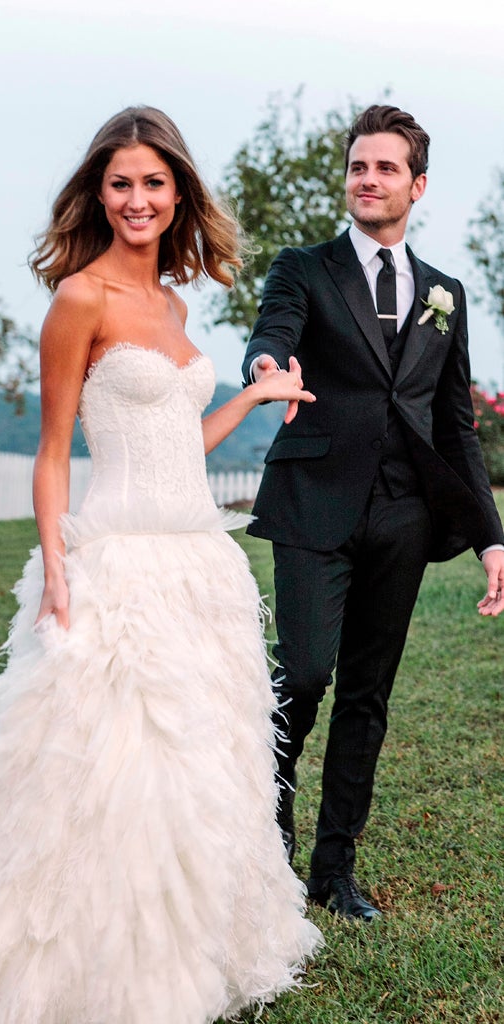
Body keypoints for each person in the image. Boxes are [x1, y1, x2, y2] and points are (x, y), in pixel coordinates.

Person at [0, 106, 322, 1024]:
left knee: (200, 768)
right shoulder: (80, 299)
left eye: (154, 183)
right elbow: (55, 451)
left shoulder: (173, 306)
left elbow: (178, 446)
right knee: (104, 775)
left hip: (199, 565)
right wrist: (57, 566)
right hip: (116, 567)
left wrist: (252, 393)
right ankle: (83, 971)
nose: (138, 199)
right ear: (99, 192)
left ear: (179, 194)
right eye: (121, 183)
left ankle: (188, 944)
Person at [242, 103, 504, 923]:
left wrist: (490, 540)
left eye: (385, 167)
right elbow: (270, 329)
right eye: (358, 165)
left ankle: (333, 871)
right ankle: (262, 830)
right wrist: (264, 363)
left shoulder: (444, 296)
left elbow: (452, 425)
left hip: (403, 518)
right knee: (307, 672)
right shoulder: (304, 267)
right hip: (313, 503)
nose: (367, 178)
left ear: (416, 185)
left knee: (366, 694)